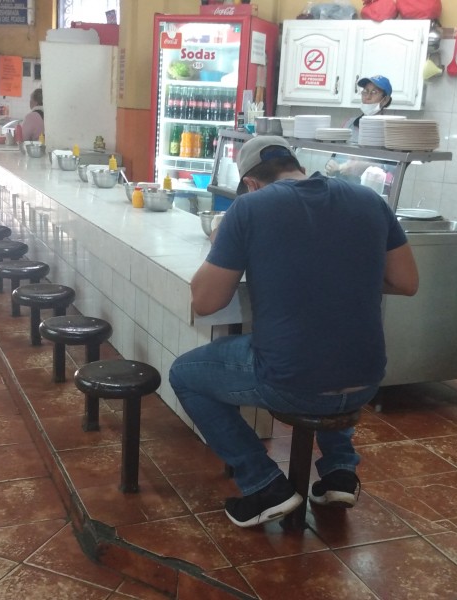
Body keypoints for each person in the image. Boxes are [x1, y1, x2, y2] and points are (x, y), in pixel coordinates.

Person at [168, 136, 419, 528]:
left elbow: (204, 302)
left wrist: (226, 243)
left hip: (291, 383)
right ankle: (339, 471)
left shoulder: (249, 209)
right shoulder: (370, 200)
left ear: (250, 183)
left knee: (185, 374)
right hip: (367, 379)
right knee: (332, 338)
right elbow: (406, 281)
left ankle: (263, 482)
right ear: (295, 165)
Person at [326, 74, 394, 181]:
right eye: (365, 91)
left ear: (385, 100)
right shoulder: (349, 123)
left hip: (369, 192)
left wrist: (367, 167)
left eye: (374, 92)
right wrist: (331, 166)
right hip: (342, 188)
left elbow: (394, 171)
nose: (367, 97)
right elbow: (336, 155)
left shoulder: (391, 130)